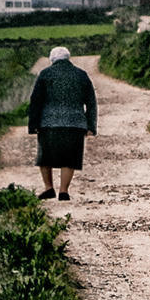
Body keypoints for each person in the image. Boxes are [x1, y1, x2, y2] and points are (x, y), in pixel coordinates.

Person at [27, 46, 97, 201]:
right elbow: (91, 102)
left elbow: (35, 101)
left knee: (45, 157)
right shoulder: (81, 74)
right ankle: (64, 191)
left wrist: (33, 125)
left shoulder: (45, 74)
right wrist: (91, 126)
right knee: (70, 157)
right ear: (68, 58)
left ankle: (49, 188)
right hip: (75, 123)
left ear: (52, 59)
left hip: (48, 123)